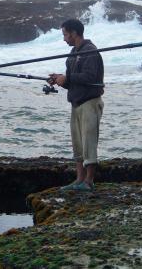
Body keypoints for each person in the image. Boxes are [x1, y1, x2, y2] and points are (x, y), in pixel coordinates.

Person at [48, 19, 104, 192]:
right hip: (76, 103)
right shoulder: (72, 54)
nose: (64, 38)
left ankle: (89, 181)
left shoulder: (90, 51)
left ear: (74, 33)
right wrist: (59, 79)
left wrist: (68, 79)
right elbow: (71, 81)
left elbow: (90, 77)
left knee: (89, 143)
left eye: (65, 34)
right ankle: (79, 179)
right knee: (78, 144)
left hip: (90, 103)